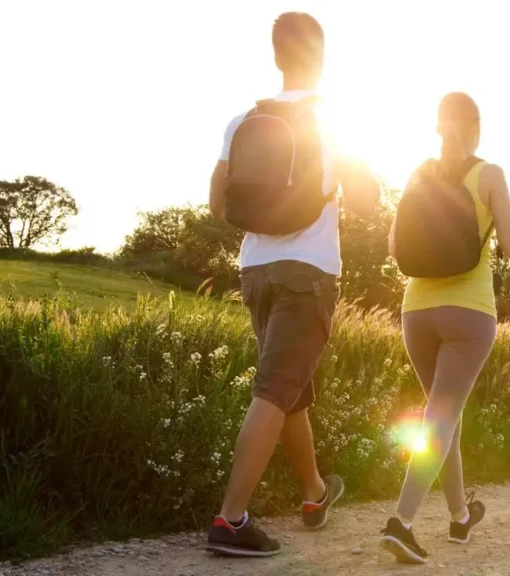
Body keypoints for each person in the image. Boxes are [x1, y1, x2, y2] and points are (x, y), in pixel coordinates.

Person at [205, 12, 380, 557]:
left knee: (289, 391)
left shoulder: (243, 120)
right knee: (275, 390)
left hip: (255, 269)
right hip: (308, 272)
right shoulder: (332, 123)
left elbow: (216, 203)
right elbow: (368, 204)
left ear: (277, 57)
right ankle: (231, 520)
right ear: (321, 60)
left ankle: (313, 493)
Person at [381, 92, 510, 563]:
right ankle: (401, 523)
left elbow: (394, 246)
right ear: (476, 128)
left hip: (416, 312)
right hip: (468, 313)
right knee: (440, 418)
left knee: (445, 417)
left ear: (439, 127)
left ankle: (460, 516)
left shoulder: (419, 173)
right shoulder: (490, 174)